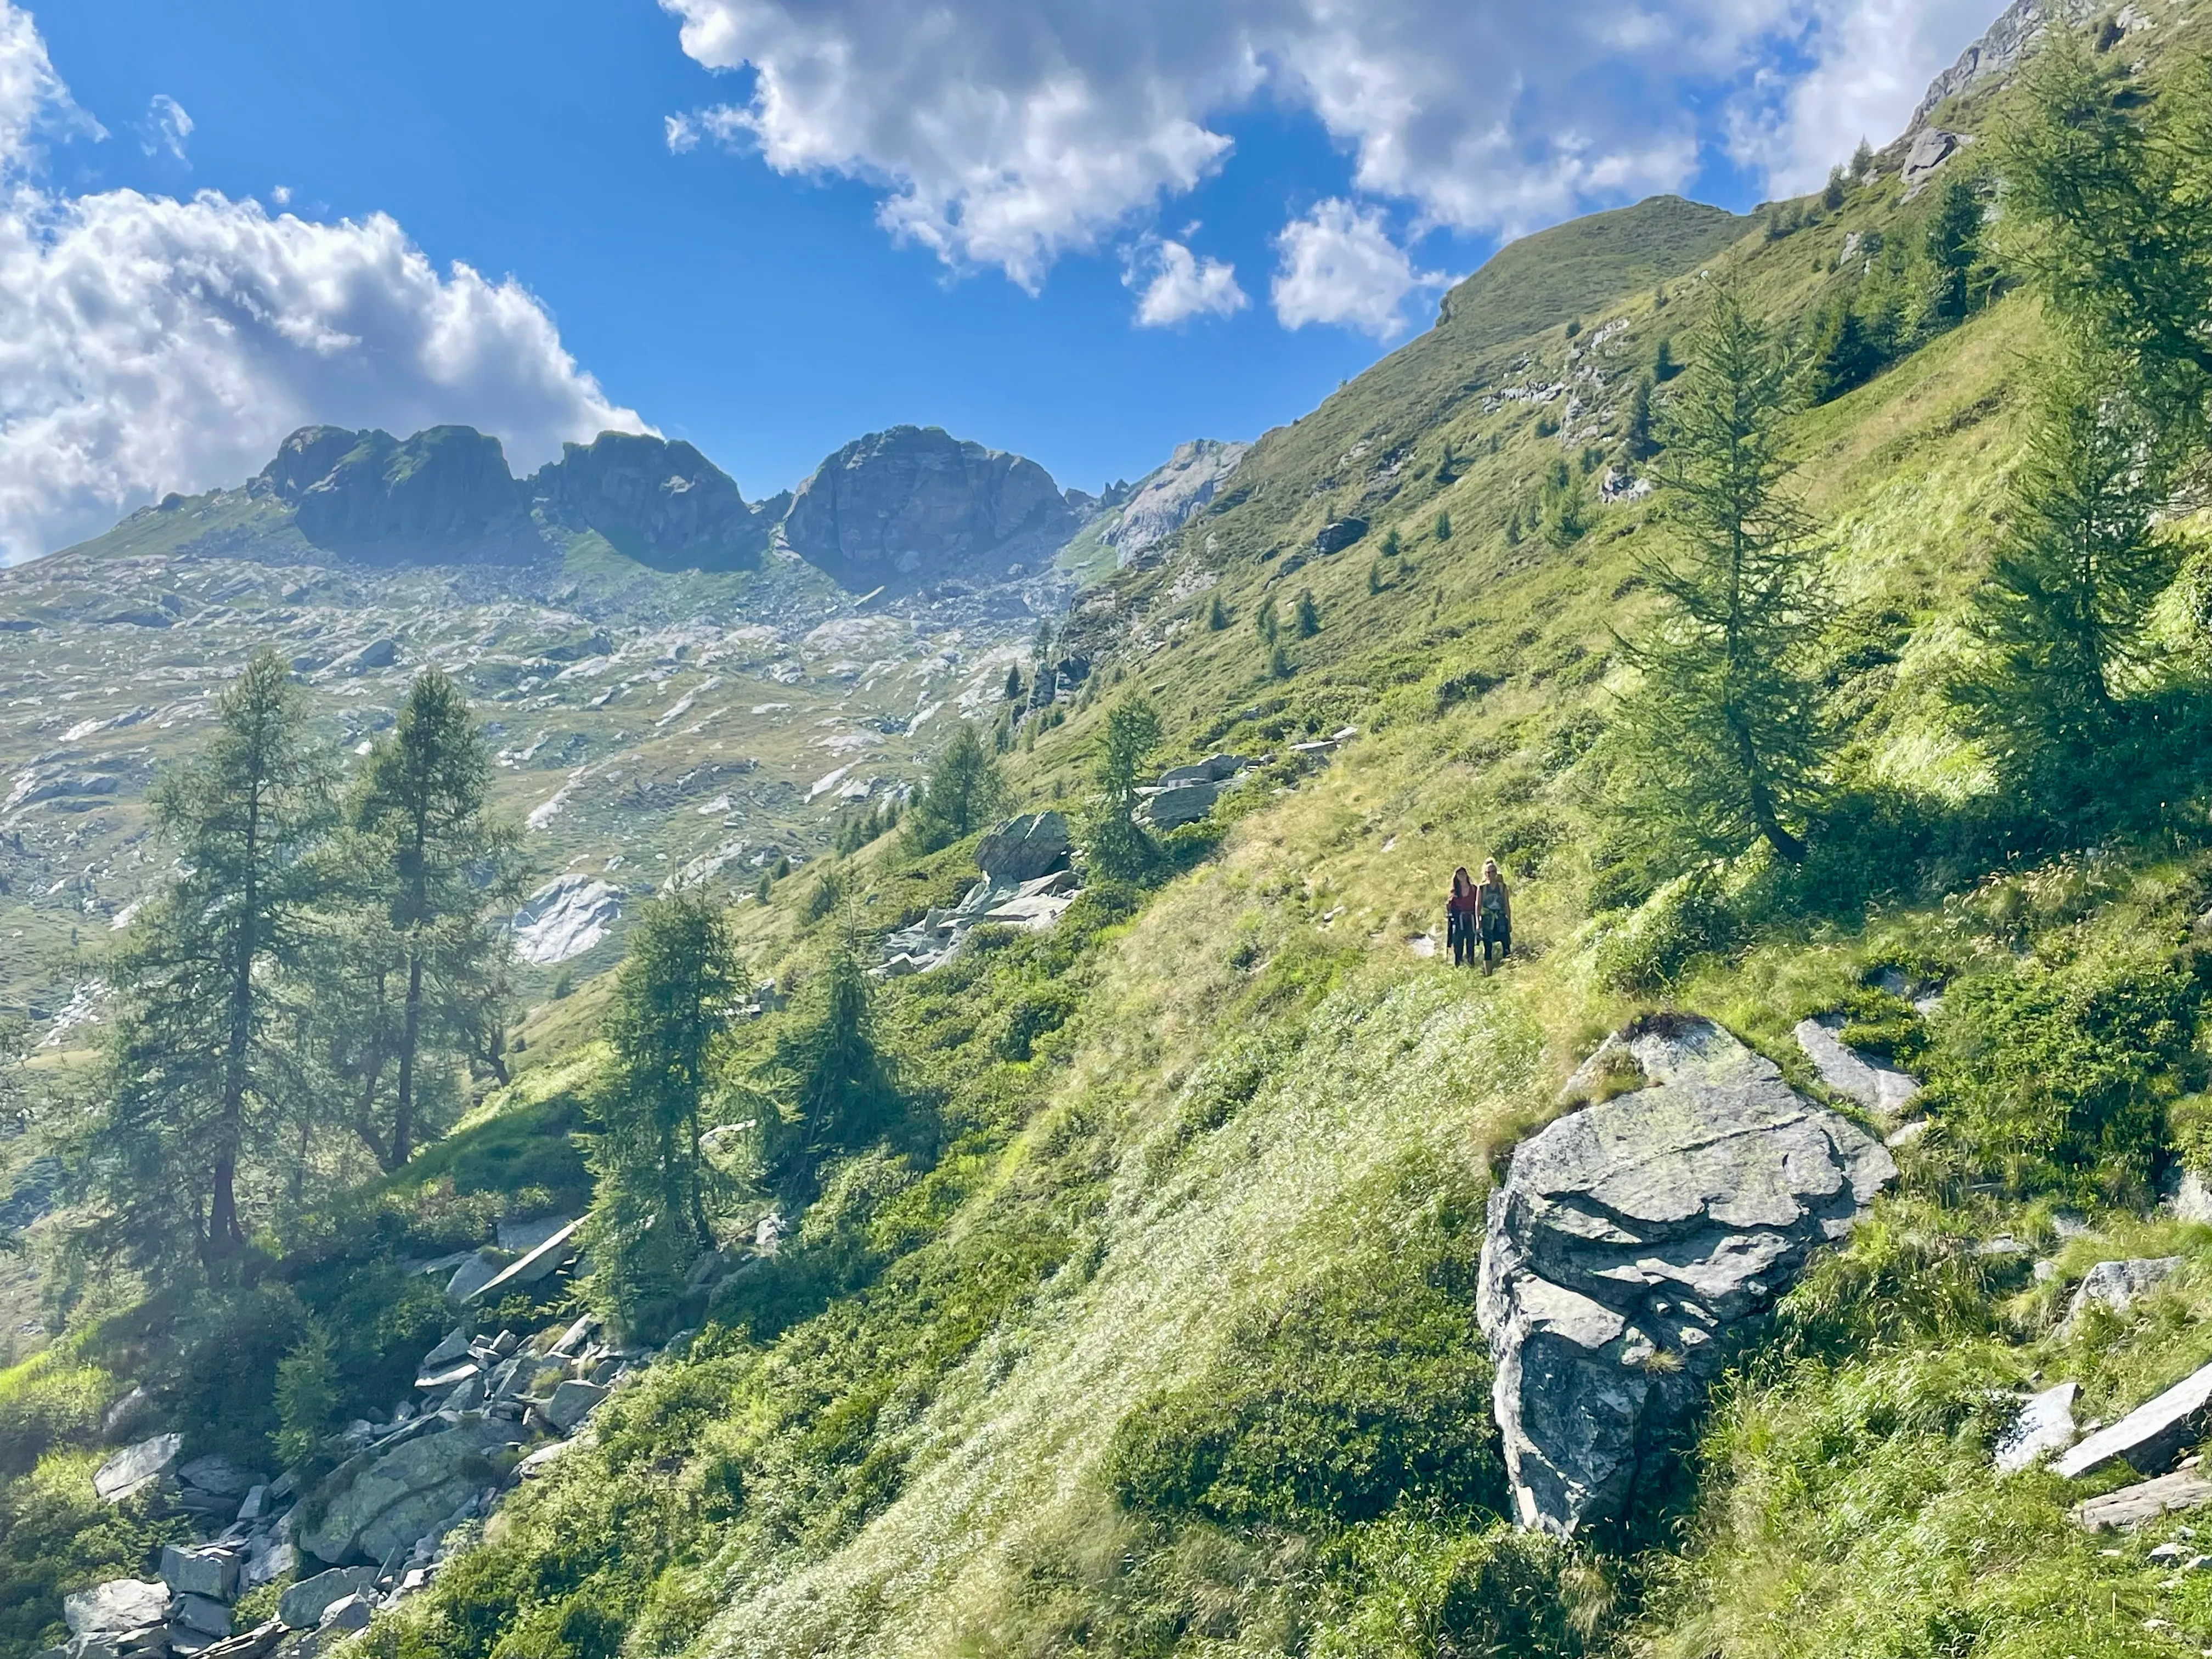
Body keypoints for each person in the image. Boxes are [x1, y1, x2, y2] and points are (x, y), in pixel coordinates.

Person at [1475, 858, 1512, 972]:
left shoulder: (1502, 887)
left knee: (1506, 943)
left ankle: (1509, 970)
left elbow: (1507, 905)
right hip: (1487, 920)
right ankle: (1488, 973)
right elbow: (1478, 905)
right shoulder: (1482, 888)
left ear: (1496, 873)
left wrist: (1509, 922)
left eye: (1493, 872)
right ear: (1485, 874)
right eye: (1488, 872)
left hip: (1501, 918)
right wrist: (1478, 923)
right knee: (1488, 946)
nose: (1490, 874)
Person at [1446, 867, 1478, 967]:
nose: (1462, 876)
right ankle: (1458, 963)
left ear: (1467, 875)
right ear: (1457, 877)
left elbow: (1478, 903)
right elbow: (1450, 908)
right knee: (1458, 942)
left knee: (1471, 941)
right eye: (1459, 874)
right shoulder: (1454, 891)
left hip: (1471, 918)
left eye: (1463, 874)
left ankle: (1470, 962)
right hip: (1459, 919)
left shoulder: (1474, 889)